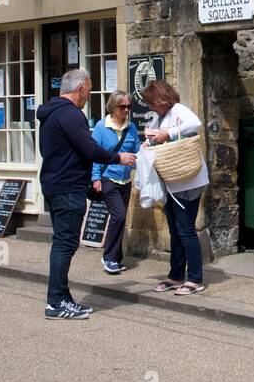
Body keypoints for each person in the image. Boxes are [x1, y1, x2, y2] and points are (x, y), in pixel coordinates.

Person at [35, 68, 136, 319]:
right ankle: (55, 302)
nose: (89, 95)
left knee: (62, 242)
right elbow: (90, 149)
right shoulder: (70, 115)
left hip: (54, 183)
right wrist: (118, 157)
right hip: (67, 187)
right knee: (65, 244)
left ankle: (62, 295)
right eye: (89, 90)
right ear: (80, 89)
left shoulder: (52, 112)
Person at [141, 80, 210, 296]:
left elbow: (195, 124)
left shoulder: (178, 110)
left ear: (161, 98)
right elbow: (157, 138)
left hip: (188, 181)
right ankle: (176, 275)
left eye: (152, 102)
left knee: (186, 230)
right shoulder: (158, 117)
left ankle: (195, 278)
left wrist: (167, 134)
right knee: (175, 230)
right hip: (172, 182)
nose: (151, 106)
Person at [92, 91, 140, 274]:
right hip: (108, 178)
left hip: (125, 179)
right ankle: (108, 258)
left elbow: (136, 151)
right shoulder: (100, 127)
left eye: (129, 106)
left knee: (119, 218)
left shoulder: (132, 128)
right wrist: (96, 178)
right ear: (113, 107)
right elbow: (95, 154)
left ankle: (116, 258)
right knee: (118, 216)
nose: (126, 110)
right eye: (122, 107)